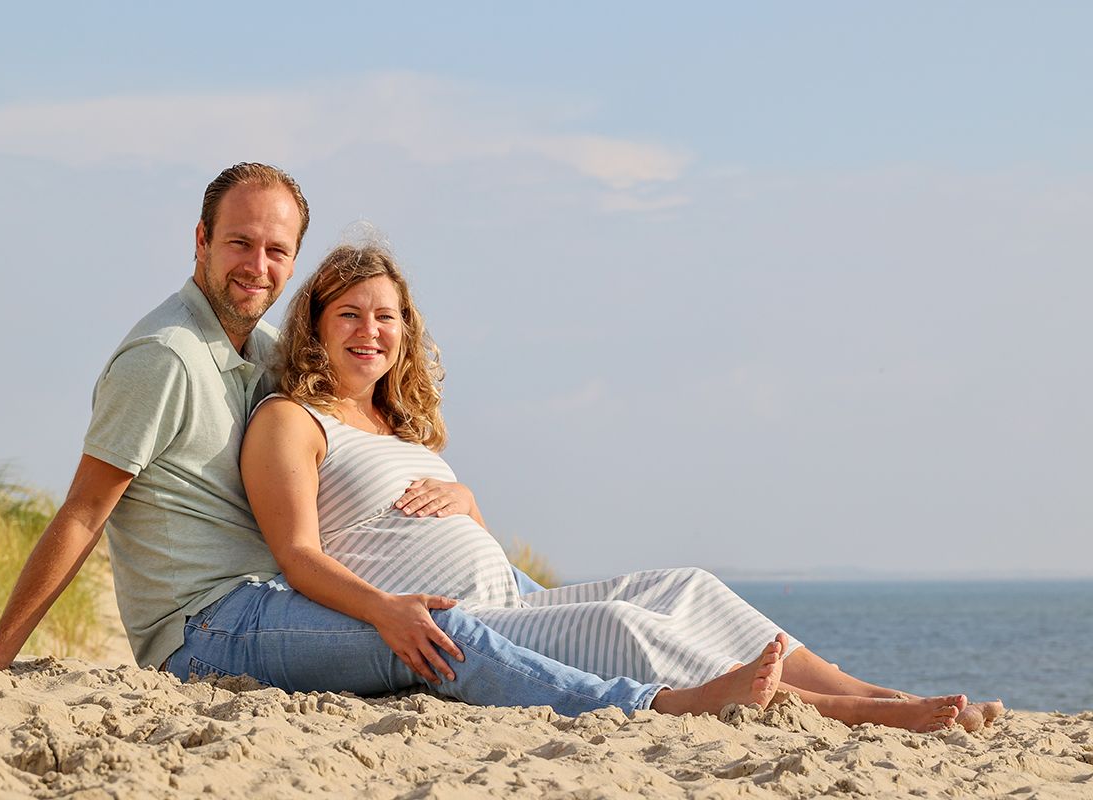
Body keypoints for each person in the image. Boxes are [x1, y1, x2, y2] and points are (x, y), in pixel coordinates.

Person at [0, 162, 790, 721]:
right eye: (239, 242)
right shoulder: (164, 358)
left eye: (277, 250)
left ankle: (810, 689)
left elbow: (361, 398)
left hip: (275, 600)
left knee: (616, 597)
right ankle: (660, 708)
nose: (258, 264)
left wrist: (456, 496)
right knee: (439, 641)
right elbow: (83, 512)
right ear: (200, 241)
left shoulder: (263, 344)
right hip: (205, 628)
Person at [239, 242, 1004, 733]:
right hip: (470, 629)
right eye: (350, 315)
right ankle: (848, 713)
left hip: (514, 597)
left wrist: (469, 504)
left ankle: (877, 691)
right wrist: (382, 609)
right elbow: (297, 554)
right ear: (317, 324)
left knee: (688, 585)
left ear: (406, 329)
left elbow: (431, 524)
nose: (370, 331)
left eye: (386, 316)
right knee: (619, 624)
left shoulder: (398, 424)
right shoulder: (293, 420)